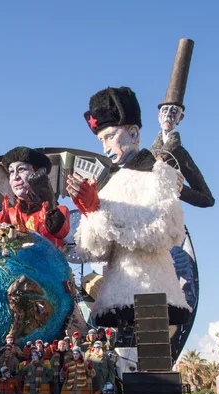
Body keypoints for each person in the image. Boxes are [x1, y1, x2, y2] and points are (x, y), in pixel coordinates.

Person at [68, 86, 190, 327]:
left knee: (154, 356)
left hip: (155, 290)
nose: (104, 148)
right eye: (101, 140)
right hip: (115, 296)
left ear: (133, 134)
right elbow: (93, 251)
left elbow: (165, 231)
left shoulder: (159, 174)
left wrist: (102, 213)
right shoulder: (108, 184)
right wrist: (91, 211)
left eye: (110, 136)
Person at [0, 146, 70, 248]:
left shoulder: (60, 211)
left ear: (40, 173)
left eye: (21, 170)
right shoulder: (7, 214)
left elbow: (60, 231)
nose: (15, 177)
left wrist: (50, 205)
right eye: (11, 172)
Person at [150, 104, 214, 208]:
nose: (168, 116)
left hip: (169, 215)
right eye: (165, 111)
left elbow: (207, 199)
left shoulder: (180, 153)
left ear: (180, 118)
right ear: (159, 116)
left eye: (174, 112)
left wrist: (178, 189)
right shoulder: (149, 153)